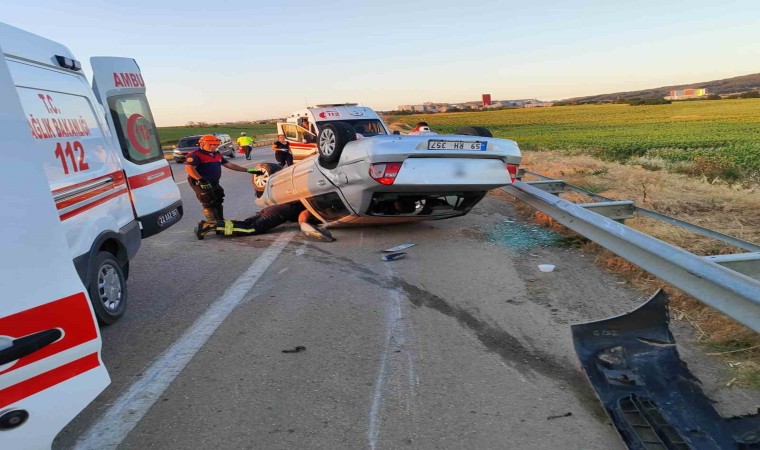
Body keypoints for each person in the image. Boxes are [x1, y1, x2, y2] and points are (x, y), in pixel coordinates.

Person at [185, 134, 261, 239]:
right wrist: (201, 180)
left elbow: (229, 165)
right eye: (211, 144)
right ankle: (214, 225)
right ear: (202, 144)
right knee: (209, 201)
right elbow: (190, 169)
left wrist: (247, 170)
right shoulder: (195, 155)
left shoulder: (216, 154)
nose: (213, 147)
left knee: (218, 199)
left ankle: (219, 223)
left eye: (215, 145)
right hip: (200, 182)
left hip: (214, 181)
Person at [196, 200, 335, 242]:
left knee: (246, 224)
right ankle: (209, 226)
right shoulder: (321, 205)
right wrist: (303, 226)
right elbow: (304, 214)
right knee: (250, 229)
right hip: (279, 213)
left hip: (275, 209)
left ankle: (213, 225)